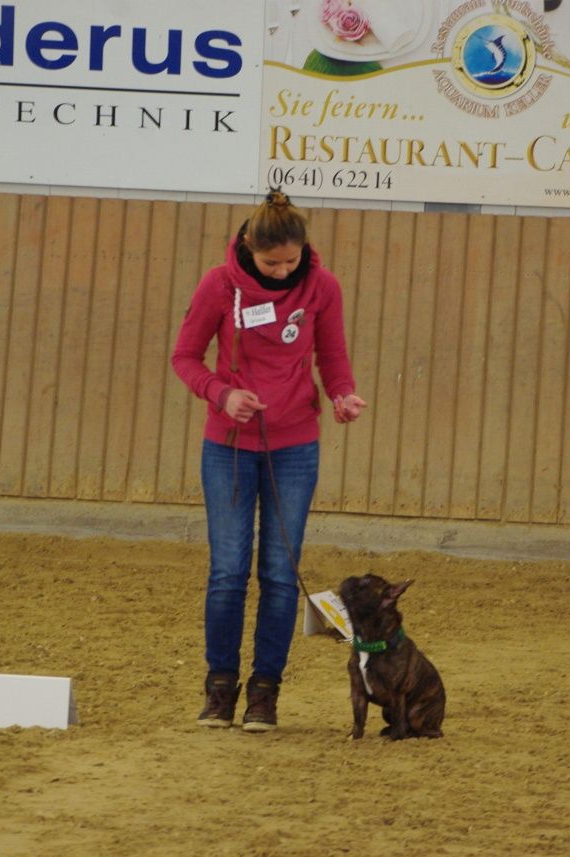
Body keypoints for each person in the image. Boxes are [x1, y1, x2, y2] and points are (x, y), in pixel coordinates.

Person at [171, 189, 367, 732]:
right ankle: (219, 689)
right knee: (228, 573)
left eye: (291, 261)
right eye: (271, 263)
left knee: (281, 575)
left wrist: (342, 395)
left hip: (295, 448)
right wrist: (221, 394)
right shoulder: (218, 285)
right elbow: (185, 357)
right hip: (228, 448)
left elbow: (333, 355)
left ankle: (264, 693)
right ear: (248, 248)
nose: (282, 271)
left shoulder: (322, 286)